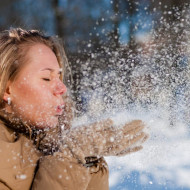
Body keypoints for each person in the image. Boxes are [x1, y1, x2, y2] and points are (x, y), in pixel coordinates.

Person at [0, 28, 148, 190]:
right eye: (46, 78)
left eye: (59, 77)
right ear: (8, 89)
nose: (62, 88)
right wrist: (68, 156)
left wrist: (85, 157)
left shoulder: (50, 142)